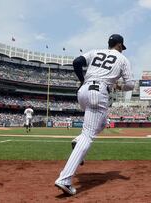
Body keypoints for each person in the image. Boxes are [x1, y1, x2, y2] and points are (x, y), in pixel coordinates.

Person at [55, 34, 135, 195]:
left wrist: (82, 80)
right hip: (99, 92)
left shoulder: (95, 52)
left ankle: (78, 141)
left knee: (102, 123)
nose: (122, 49)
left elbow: (77, 62)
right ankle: (65, 179)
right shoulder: (122, 59)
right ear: (119, 45)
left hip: (83, 92)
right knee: (88, 135)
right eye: (122, 47)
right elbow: (131, 84)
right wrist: (119, 87)